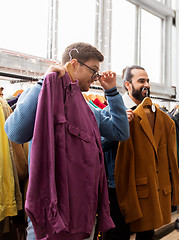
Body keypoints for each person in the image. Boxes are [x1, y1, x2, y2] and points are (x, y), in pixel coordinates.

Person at [4, 42, 130, 240]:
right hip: (50, 216)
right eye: (93, 70)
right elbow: (15, 132)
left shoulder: (89, 109)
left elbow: (120, 132)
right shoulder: (40, 95)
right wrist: (43, 83)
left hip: (84, 214)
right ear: (73, 64)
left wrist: (112, 93)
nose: (96, 77)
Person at [102, 65, 152, 240]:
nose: (146, 84)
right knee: (119, 233)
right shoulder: (112, 110)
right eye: (141, 81)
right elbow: (98, 145)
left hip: (144, 182)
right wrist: (118, 128)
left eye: (147, 80)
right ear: (127, 85)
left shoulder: (151, 111)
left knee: (147, 230)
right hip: (118, 185)